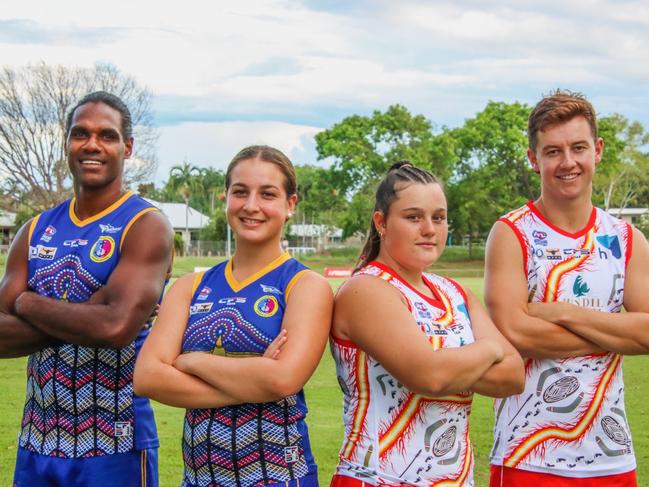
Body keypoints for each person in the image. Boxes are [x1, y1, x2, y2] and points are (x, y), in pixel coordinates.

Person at [0, 91, 174, 486]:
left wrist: (25, 302)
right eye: (80, 134)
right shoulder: (35, 229)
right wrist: (87, 315)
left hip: (115, 444)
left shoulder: (145, 224)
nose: (92, 144)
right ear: (67, 144)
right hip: (36, 444)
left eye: (107, 135)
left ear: (127, 147)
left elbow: (114, 330)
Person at [133, 145, 333, 487]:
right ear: (227, 198)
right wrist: (253, 378)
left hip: (280, 477)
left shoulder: (305, 286)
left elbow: (282, 380)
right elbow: (148, 377)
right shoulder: (188, 287)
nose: (251, 205)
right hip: (198, 479)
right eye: (240, 192)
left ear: (290, 205)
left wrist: (190, 360)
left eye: (267, 194)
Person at [486, 90, 649, 486]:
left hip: (611, 457)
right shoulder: (511, 233)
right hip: (527, 455)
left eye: (578, 148)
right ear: (533, 158)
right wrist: (615, 331)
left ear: (598, 150)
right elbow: (514, 332)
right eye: (553, 151)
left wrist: (561, 311)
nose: (568, 162)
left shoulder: (627, 239)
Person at [329, 162, 524, 486]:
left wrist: (449, 364)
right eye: (413, 217)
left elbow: (514, 375)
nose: (429, 229)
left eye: (438, 217)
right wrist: (489, 349)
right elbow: (429, 376)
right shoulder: (366, 289)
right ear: (382, 222)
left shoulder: (454, 291)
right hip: (379, 478)